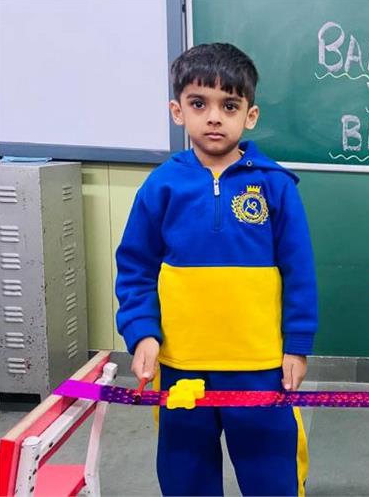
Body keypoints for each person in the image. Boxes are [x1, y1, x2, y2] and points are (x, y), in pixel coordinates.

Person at [115, 43, 317, 496]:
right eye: (198, 104)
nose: (213, 117)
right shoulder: (161, 186)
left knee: (272, 476)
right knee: (186, 475)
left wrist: (297, 345)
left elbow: (299, 272)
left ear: (250, 115)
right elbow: (135, 268)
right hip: (182, 363)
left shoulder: (276, 186)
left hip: (260, 364)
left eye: (229, 106)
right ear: (177, 111)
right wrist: (143, 333)